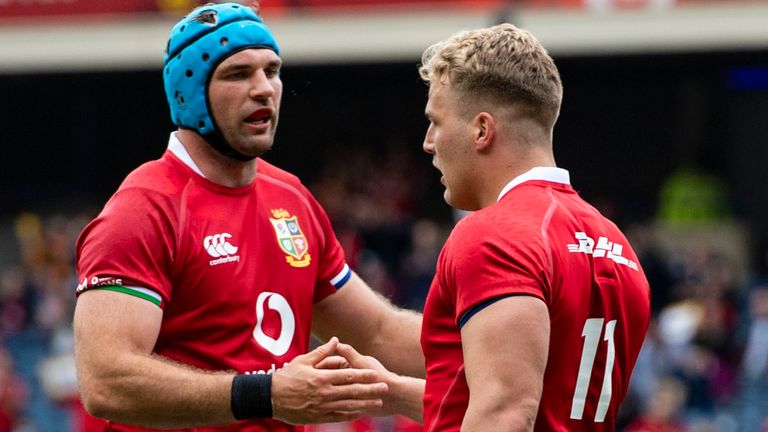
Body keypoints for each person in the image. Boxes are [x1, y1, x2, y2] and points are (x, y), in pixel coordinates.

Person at [72, 3, 423, 431]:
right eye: (238, 74)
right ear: (190, 92)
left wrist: (486, 346)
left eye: (271, 70)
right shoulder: (145, 209)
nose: (264, 89)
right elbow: (106, 383)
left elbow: (380, 332)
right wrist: (265, 394)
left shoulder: (291, 197)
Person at [416, 23, 651, 430]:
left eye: (436, 121)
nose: (428, 142)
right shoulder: (617, 245)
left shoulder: (492, 234)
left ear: (482, 130)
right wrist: (389, 390)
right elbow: (544, 399)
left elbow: (506, 413)